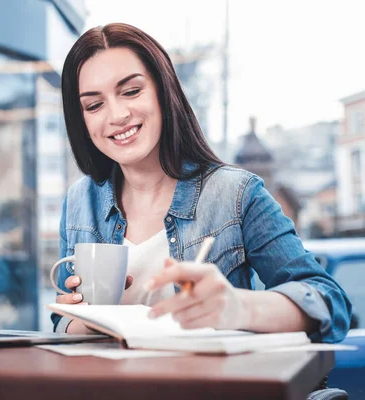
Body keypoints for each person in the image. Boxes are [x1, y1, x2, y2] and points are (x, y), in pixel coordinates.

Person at [51, 22, 351, 343]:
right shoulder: (79, 201)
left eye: (131, 91)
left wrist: (238, 308)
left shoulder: (235, 194)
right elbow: (63, 320)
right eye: (94, 105)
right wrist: (84, 319)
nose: (117, 114)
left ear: (163, 92)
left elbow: (330, 304)